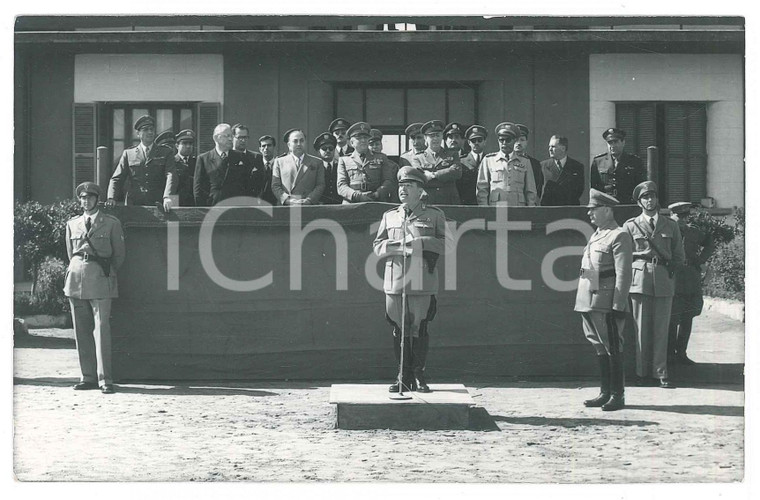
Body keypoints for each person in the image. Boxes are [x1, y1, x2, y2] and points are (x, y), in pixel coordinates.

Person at [373, 166, 446, 393]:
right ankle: (403, 376)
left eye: (408, 186)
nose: (403, 190)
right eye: (401, 186)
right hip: (395, 282)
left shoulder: (434, 215)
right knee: (399, 329)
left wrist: (419, 242)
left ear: (419, 189)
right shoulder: (390, 216)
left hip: (422, 282)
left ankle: (419, 375)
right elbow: (377, 247)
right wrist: (396, 245)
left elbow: (446, 244)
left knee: (420, 328)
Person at [64, 182, 126, 395]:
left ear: (97, 200)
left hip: (100, 278)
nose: (86, 201)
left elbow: (119, 255)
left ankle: (104, 379)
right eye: (83, 198)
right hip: (76, 279)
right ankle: (87, 377)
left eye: (90, 197)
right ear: (79, 200)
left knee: (101, 330)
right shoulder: (72, 224)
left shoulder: (110, 223)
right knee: (81, 330)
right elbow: (70, 253)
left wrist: (105, 273)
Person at [574, 189, 633, 411]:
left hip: (606, 301)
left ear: (607, 210)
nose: (590, 214)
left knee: (612, 347)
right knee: (599, 346)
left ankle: (618, 395)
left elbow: (623, 273)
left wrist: (618, 304)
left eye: (594, 210)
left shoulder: (619, 235)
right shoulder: (597, 234)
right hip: (588, 298)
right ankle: (605, 392)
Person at [623, 181, 685, 388]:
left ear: (657, 200)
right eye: (645, 197)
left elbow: (678, 256)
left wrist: (669, 273)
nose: (650, 200)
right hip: (639, 280)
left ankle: (661, 372)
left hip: (663, 280)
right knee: (641, 329)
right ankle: (642, 373)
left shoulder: (671, 225)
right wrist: (640, 254)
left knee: (662, 329)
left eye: (653, 197)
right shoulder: (631, 225)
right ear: (639, 202)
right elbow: (622, 255)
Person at [667, 201, 716, 365]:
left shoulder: (693, 232)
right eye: (678, 216)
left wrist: (701, 260)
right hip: (672, 278)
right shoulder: (665, 232)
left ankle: (681, 354)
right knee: (672, 318)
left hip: (690, 278)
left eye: (685, 216)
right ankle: (669, 355)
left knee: (688, 316)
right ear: (671, 215)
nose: (682, 219)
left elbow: (710, 243)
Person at [107, 115, 176, 212]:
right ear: (138, 133)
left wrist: (167, 197)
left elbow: (171, 175)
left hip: (158, 204)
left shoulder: (165, 152)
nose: (150, 132)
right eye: (146, 129)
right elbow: (117, 178)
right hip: (134, 205)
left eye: (152, 129)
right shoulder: (129, 153)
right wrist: (111, 197)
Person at [476, 122, 538, 206]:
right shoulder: (489, 160)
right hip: (496, 207)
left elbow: (530, 190)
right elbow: (482, 189)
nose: (504, 143)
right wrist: (485, 210)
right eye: (501, 140)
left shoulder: (524, 161)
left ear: (514, 141)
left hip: (518, 208)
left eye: (508, 140)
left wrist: (530, 210)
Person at [193, 123, 252, 206]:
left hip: (236, 209)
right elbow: (198, 189)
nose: (230, 139)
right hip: (212, 208)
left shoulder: (241, 157)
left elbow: (247, 184)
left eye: (231, 136)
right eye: (227, 136)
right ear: (216, 138)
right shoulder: (203, 159)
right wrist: (203, 211)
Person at [337, 122, 396, 203]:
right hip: (352, 202)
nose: (363, 140)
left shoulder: (381, 157)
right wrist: (357, 196)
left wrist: (377, 194)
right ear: (351, 142)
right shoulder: (344, 160)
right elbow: (341, 186)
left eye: (365, 137)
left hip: (376, 201)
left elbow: (388, 181)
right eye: (359, 138)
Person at [410, 120, 463, 205]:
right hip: (427, 202)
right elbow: (419, 177)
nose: (435, 138)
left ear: (442, 137)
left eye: (438, 135)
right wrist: (446, 174)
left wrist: (433, 175)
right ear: (425, 138)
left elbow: (457, 172)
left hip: (449, 201)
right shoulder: (418, 157)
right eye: (431, 136)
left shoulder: (452, 154)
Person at [590, 128, 646, 204]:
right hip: (606, 205)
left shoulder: (635, 162)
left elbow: (641, 186)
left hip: (627, 205)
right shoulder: (598, 162)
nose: (612, 145)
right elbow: (595, 187)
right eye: (610, 143)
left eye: (616, 142)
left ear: (623, 142)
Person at [271, 128, 325, 205]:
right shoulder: (279, 162)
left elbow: (320, 185)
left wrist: (309, 200)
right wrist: (286, 200)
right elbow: (275, 186)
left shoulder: (317, 162)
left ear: (305, 143)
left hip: (308, 206)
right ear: (289, 145)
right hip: (287, 206)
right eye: (295, 141)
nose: (299, 144)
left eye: (302, 140)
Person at [539, 135, 585, 206]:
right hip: (548, 209)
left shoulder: (577, 166)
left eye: (553, 147)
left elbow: (579, 189)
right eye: (549, 146)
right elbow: (538, 189)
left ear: (563, 148)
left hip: (569, 208)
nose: (550, 149)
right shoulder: (543, 165)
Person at [232, 123, 269, 200]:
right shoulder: (227, 157)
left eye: (245, 137)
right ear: (233, 138)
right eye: (240, 137)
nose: (243, 140)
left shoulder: (256, 157)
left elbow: (262, 182)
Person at [457, 124, 487, 205]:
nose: (476, 143)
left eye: (479, 140)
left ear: (485, 142)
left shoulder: (489, 160)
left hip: (485, 203)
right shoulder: (461, 161)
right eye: (473, 140)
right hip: (466, 204)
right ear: (469, 142)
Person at [514, 124, 544, 201]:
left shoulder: (535, 164)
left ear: (526, 142)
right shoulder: (505, 162)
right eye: (516, 140)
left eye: (522, 140)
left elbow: (538, 188)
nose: (518, 143)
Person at [313, 132, 342, 205]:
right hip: (320, 206)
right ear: (318, 152)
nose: (328, 151)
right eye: (324, 149)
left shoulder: (340, 166)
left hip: (339, 205)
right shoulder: (314, 168)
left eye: (331, 148)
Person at [173, 129, 197, 207]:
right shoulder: (172, 162)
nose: (188, 146)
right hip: (176, 203)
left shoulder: (197, 162)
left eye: (190, 143)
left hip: (193, 204)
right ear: (177, 146)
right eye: (184, 143)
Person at [257, 135, 278, 205]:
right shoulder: (255, 166)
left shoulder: (280, 165)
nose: (266, 148)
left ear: (274, 147)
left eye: (269, 145)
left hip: (276, 205)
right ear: (260, 149)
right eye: (263, 146)